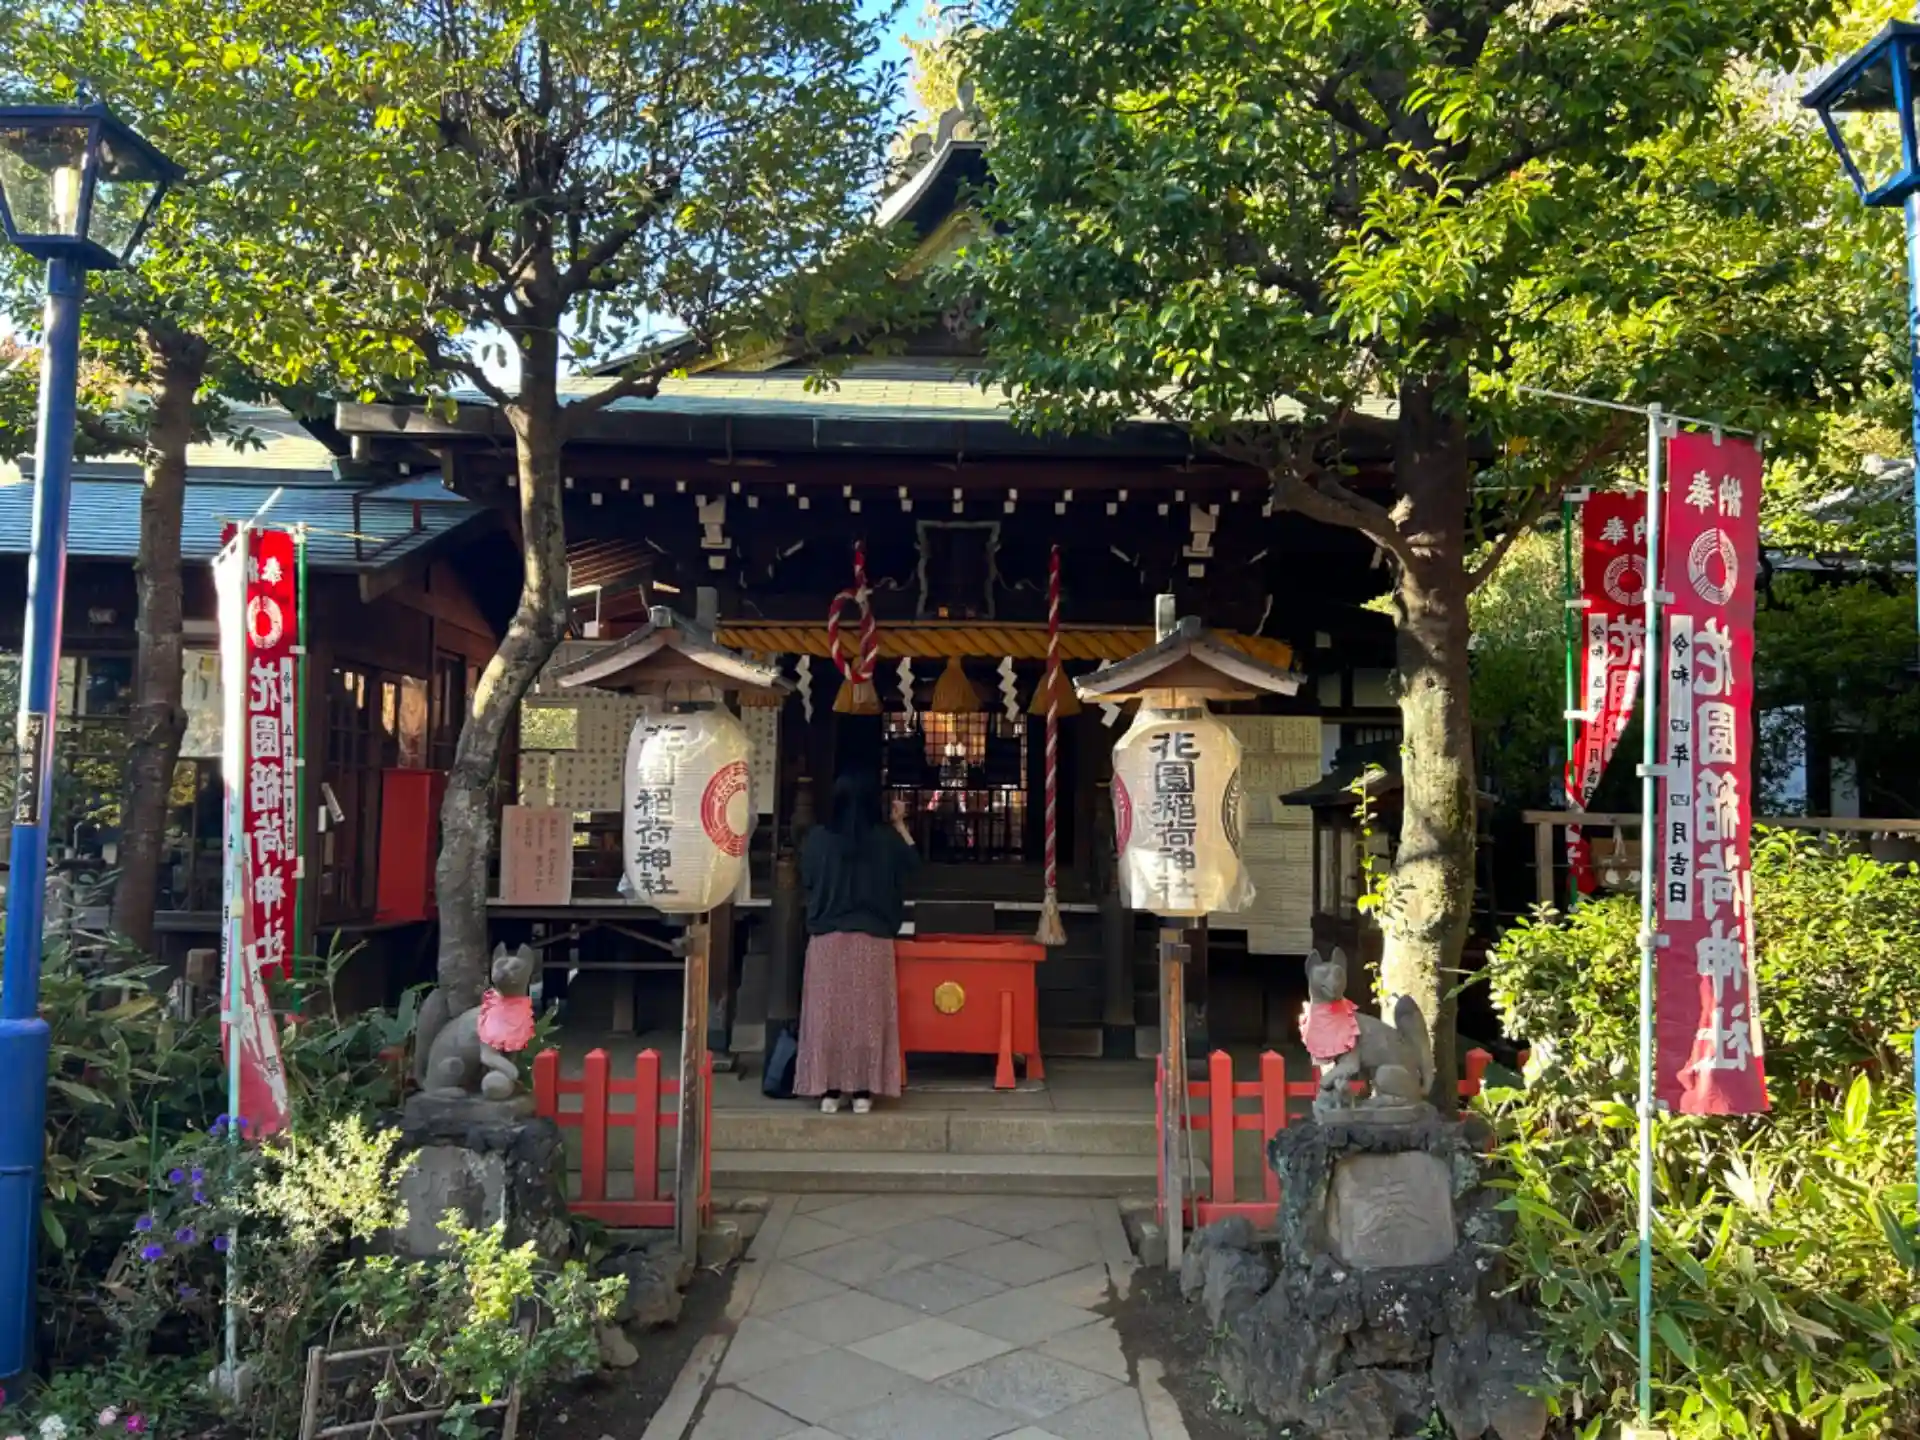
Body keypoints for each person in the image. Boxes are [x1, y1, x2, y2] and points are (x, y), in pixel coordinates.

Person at [795, 771, 918, 1114]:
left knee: (827, 1018)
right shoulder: (885, 840)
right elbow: (913, 865)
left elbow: (807, 879)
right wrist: (900, 824)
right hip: (872, 940)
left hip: (827, 940)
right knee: (868, 1019)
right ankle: (864, 1091)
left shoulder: (818, 839)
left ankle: (829, 1091)